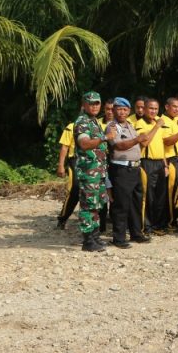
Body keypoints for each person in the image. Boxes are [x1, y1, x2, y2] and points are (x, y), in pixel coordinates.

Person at [105, 97, 154, 247]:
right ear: (113, 110)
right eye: (119, 109)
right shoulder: (111, 127)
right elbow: (119, 146)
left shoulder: (130, 125)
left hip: (135, 167)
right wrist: (137, 140)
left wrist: (142, 139)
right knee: (121, 204)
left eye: (125, 109)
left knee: (136, 203)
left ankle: (136, 233)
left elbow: (140, 143)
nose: (122, 112)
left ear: (129, 111)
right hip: (121, 169)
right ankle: (118, 238)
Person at [73, 91, 109, 252]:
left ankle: (95, 236)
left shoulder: (93, 121)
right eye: (91, 103)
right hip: (89, 171)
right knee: (88, 205)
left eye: (97, 103)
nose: (95, 106)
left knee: (97, 203)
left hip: (98, 171)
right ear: (84, 105)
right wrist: (104, 138)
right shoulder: (82, 122)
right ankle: (88, 241)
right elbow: (84, 144)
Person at [135, 98, 169, 236]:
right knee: (147, 195)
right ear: (144, 109)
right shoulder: (140, 123)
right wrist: (156, 127)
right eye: (150, 108)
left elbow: (161, 146)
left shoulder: (158, 123)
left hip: (159, 163)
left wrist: (165, 164)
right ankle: (145, 225)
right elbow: (144, 142)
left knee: (160, 195)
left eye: (155, 109)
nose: (153, 111)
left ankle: (157, 224)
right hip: (146, 162)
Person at [160, 97, 178, 228]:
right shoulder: (163, 121)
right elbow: (167, 141)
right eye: (174, 106)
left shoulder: (176, 121)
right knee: (170, 192)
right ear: (167, 107)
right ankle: (169, 221)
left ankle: (176, 218)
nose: (177, 109)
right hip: (170, 160)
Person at [55, 120, 79, 229]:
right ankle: (63, 218)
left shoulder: (96, 125)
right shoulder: (72, 126)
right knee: (75, 190)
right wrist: (61, 165)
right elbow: (65, 147)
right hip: (76, 160)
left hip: (94, 161)